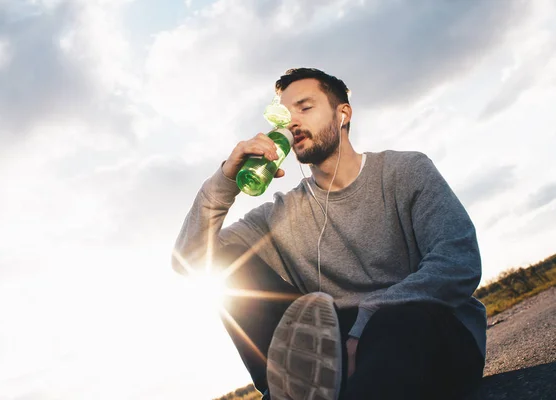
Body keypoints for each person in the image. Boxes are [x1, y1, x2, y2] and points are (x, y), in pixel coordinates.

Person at [172, 68, 486, 400]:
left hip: (422, 330)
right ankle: (285, 387)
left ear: (343, 114)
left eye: (304, 108)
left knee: (398, 325)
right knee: (227, 262)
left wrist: (368, 318)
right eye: (285, 115)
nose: (292, 122)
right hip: (336, 352)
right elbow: (189, 260)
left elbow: (457, 261)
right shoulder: (280, 213)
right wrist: (225, 179)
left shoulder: (405, 171)